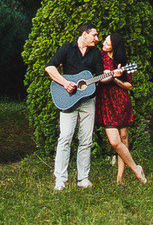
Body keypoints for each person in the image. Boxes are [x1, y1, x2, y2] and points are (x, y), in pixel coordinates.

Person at [43, 22, 102, 190]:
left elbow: (100, 77)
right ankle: (60, 179)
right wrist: (65, 83)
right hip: (68, 99)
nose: (97, 39)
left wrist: (113, 75)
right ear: (84, 34)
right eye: (94, 35)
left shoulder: (95, 54)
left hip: (88, 101)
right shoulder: (67, 49)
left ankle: (83, 178)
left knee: (86, 140)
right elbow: (50, 67)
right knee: (65, 137)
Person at [95, 31, 147, 185]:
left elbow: (129, 86)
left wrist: (117, 80)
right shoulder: (98, 56)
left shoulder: (122, 61)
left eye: (107, 42)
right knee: (114, 142)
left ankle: (120, 179)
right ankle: (137, 169)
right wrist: (106, 75)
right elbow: (96, 74)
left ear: (115, 46)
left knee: (123, 139)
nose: (104, 43)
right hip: (105, 101)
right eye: (104, 41)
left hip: (121, 100)